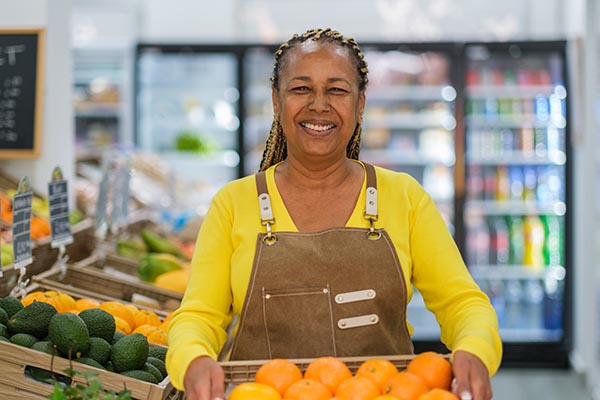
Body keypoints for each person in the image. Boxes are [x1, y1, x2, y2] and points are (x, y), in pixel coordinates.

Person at [166, 28, 502, 400]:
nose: (319, 105)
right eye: (301, 89)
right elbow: (199, 316)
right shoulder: (234, 203)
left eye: (337, 90)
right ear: (277, 103)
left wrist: (474, 349)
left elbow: (462, 303)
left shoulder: (404, 197)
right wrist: (193, 358)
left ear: (359, 105)